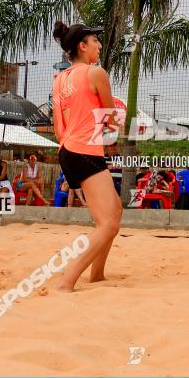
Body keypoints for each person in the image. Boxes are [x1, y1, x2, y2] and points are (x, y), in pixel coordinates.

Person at [52, 20, 123, 291]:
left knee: (114, 211)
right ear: (82, 46)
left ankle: (98, 274)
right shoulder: (96, 73)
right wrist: (117, 123)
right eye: (95, 41)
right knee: (108, 224)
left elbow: (59, 126)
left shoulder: (59, 80)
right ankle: (67, 282)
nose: (99, 45)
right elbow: (111, 119)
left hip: (68, 150)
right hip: (84, 150)